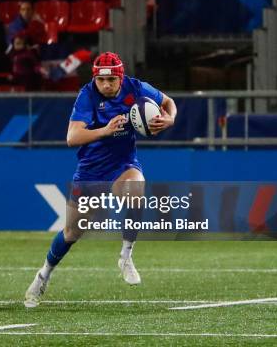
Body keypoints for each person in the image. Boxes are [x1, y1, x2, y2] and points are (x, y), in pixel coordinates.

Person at [24, 52, 177, 307]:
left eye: (111, 80)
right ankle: (44, 274)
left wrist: (169, 119)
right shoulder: (87, 95)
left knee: (136, 188)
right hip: (91, 171)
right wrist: (105, 130)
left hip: (122, 165)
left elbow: (169, 102)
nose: (106, 85)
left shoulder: (136, 87)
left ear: (121, 76)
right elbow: (72, 137)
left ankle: (126, 255)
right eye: (101, 80)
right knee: (72, 232)